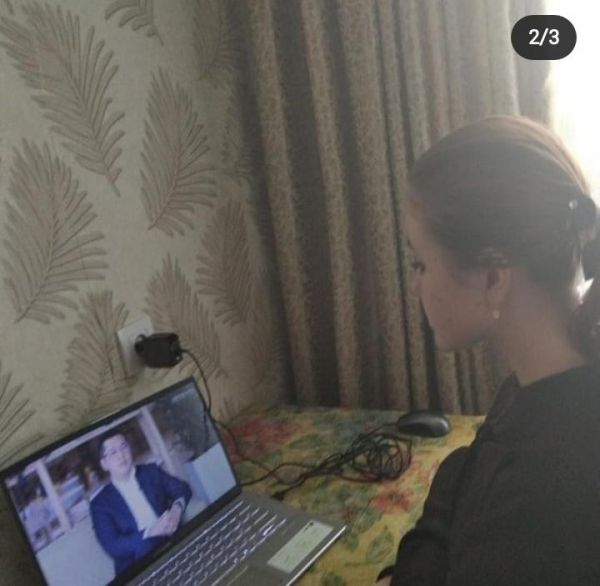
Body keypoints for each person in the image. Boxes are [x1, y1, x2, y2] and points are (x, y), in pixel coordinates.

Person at [375, 115, 600, 585]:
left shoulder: (535, 503)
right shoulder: (545, 381)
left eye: (420, 263)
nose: (416, 286)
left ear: (494, 279)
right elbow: (471, 469)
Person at [90, 429, 192, 577]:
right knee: (147, 545)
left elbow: (182, 488)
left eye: (124, 447)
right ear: (104, 464)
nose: (121, 455)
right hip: (137, 564)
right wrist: (150, 532)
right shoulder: (100, 503)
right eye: (113, 452)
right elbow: (113, 546)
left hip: (170, 542)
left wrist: (177, 510)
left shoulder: (150, 471)